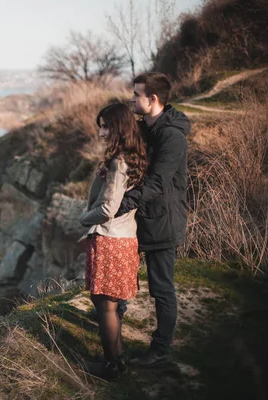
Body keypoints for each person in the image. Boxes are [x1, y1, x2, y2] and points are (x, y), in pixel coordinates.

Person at [116, 72, 191, 366]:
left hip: (163, 220)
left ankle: (160, 351)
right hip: (138, 218)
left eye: (137, 95)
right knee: (121, 274)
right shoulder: (142, 129)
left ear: (153, 99)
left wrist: (123, 204)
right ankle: (112, 325)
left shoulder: (172, 137)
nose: (132, 99)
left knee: (161, 288)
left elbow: (158, 182)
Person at [79, 102, 148, 380]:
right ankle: (116, 358)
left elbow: (107, 209)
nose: (101, 133)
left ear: (119, 128)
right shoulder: (131, 157)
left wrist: (84, 218)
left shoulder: (120, 162)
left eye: (105, 126)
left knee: (105, 304)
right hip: (122, 238)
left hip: (111, 240)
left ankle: (111, 366)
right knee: (110, 303)